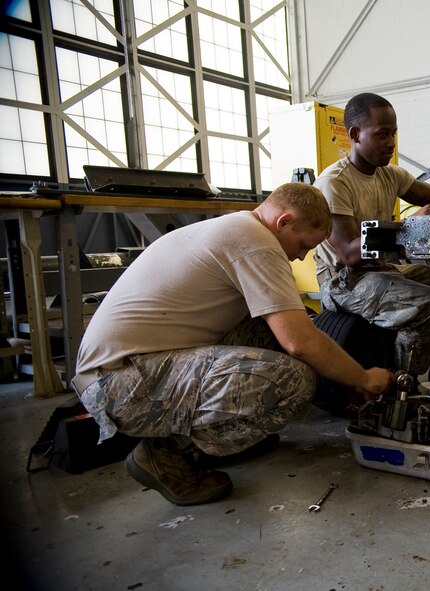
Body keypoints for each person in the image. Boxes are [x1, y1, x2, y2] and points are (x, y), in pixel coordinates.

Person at [74, 183, 394, 506]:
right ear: (283, 222)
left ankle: (213, 435)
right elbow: (300, 343)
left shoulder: (239, 227)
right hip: (117, 385)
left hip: (129, 367)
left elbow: (292, 330)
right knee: (293, 382)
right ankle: (165, 454)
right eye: (302, 245)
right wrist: (363, 378)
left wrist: (345, 375)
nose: (300, 257)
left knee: (269, 330)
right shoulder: (257, 243)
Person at [314, 92, 430, 380]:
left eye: (394, 134)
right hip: (343, 280)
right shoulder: (334, 183)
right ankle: (399, 386)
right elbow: (350, 253)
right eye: (382, 134)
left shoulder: (389, 174)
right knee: (428, 303)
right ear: (355, 134)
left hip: (380, 270)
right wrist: (410, 227)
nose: (391, 143)